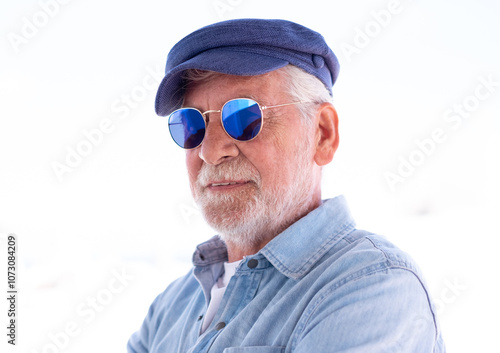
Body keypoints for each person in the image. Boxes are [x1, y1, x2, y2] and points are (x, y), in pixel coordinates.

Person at [128, 18, 446, 352]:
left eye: (243, 117)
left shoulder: (373, 286)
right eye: (191, 124)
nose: (209, 151)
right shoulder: (170, 307)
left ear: (322, 134)